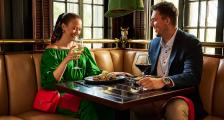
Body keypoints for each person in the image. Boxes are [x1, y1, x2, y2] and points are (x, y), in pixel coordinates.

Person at [40, 13, 128, 120]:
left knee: (108, 103)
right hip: (60, 96)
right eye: (74, 28)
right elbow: (49, 83)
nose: (77, 32)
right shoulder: (52, 51)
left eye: (79, 29)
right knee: (89, 105)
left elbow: (94, 73)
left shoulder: (83, 50)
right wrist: (67, 59)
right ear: (63, 27)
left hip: (82, 94)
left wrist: (113, 74)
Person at [137, 1, 206, 120]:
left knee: (175, 110)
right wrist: (139, 77)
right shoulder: (153, 44)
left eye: (154, 19)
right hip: (154, 96)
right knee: (133, 106)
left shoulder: (191, 43)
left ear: (167, 20)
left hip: (181, 96)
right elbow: (149, 71)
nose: (151, 24)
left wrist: (163, 81)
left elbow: (192, 76)